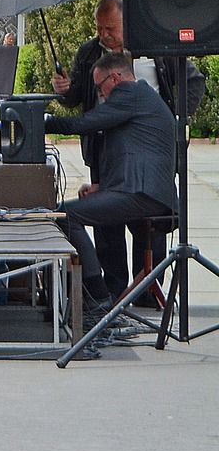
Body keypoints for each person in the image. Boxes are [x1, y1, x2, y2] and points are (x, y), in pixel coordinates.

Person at [52, 0, 203, 299]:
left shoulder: (154, 47)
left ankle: (146, 287)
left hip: (148, 153)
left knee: (143, 220)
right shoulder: (89, 53)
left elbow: (193, 82)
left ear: (127, 23)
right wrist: (64, 93)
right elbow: (80, 100)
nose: (104, 35)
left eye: (111, 28)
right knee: (107, 225)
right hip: (106, 150)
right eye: (100, 28)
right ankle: (113, 286)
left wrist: (173, 121)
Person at [54, 51, 179, 324]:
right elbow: (131, 152)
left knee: (64, 215)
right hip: (142, 190)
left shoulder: (129, 93)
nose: (101, 95)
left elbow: (86, 123)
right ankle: (93, 291)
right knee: (71, 214)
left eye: (100, 87)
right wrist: (101, 187)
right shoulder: (142, 98)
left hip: (143, 194)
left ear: (116, 77)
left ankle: (97, 294)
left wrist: (42, 122)